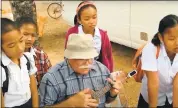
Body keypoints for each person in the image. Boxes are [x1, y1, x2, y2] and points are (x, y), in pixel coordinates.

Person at [39, 33, 122, 107]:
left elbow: (107, 100)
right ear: (70, 57)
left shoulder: (102, 70)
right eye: (83, 58)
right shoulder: (52, 79)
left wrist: (112, 94)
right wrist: (69, 104)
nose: (89, 62)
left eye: (90, 57)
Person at [138, 14, 178, 108]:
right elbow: (153, 83)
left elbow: (177, 85)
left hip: (170, 98)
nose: (177, 43)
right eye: (172, 39)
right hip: (151, 99)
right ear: (161, 37)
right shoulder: (150, 49)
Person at [64, 1, 113, 72]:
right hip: (78, 71)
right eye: (87, 19)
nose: (91, 21)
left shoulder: (102, 35)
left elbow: (109, 56)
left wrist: (109, 73)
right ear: (79, 20)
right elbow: (68, 55)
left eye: (94, 17)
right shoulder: (72, 33)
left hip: (97, 71)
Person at [1, 18, 39, 107]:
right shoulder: (2, 68)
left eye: (21, 41)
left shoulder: (28, 59)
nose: (20, 48)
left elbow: (34, 91)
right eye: (11, 45)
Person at [16, 16, 52, 87]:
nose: (29, 39)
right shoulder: (9, 57)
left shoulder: (41, 55)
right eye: (25, 34)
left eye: (33, 35)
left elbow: (50, 79)